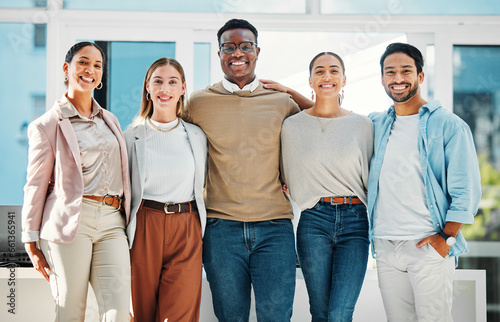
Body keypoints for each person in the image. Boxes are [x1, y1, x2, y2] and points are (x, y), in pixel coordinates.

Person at [188, 18, 301, 321]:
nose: (237, 53)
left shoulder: (282, 102)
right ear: (219, 54)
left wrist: (290, 89)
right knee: (230, 317)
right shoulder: (198, 103)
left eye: (245, 46)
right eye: (229, 47)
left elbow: (321, 122)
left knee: (276, 316)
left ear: (257, 51)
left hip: (275, 228)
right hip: (221, 229)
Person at [367, 42, 482, 321]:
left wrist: (446, 237)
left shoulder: (449, 125)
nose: (397, 78)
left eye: (406, 71)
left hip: (427, 244)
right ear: (382, 78)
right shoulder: (376, 124)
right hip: (385, 244)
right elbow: (334, 122)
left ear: (420, 76)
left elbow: (466, 190)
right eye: (390, 72)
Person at [22, 41, 131, 321]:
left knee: (118, 311)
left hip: (112, 221)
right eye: (83, 62)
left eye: (97, 65)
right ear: (67, 68)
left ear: (101, 75)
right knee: (71, 311)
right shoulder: (46, 125)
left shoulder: (111, 120)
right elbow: (36, 184)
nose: (90, 70)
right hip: (72, 222)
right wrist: (29, 239)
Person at [281, 52, 373, 321]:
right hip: (313, 220)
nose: (327, 76)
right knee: (320, 312)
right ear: (310, 80)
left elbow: (372, 177)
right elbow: (284, 168)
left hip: (356, 221)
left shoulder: (362, 125)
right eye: (319, 71)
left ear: (344, 80)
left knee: (340, 312)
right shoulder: (291, 126)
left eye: (334, 71)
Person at [124, 57, 207, 322]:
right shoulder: (130, 137)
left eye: (172, 82)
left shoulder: (197, 136)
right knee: (141, 313)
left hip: (187, 226)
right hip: (145, 226)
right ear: (147, 88)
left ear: (183, 88)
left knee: (179, 314)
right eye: (158, 81)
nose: (164, 89)